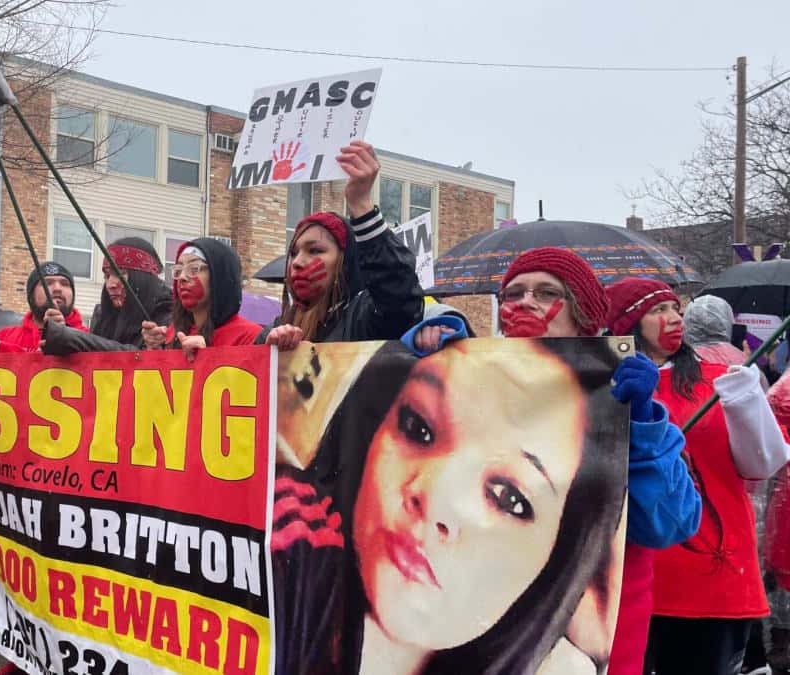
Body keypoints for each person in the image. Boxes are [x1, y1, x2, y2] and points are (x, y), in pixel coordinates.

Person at [405, 247, 701, 675]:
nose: (525, 303)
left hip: (595, 648)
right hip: (486, 640)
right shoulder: (475, 388)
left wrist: (639, 428)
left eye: (546, 293)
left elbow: (669, 525)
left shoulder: (623, 400)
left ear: (584, 316)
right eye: (514, 294)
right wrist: (415, 358)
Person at [273, 337, 628, 674]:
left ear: (560, 556)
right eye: (418, 427)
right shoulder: (288, 537)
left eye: (509, 498)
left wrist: (655, 437)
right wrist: (263, 359)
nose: (437, 497)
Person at [603, 277, 790, 675]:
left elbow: (763, 464)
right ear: (628, 324)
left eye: (677, 309)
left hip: (711, 578)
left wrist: (745, 400)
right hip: (629, 577)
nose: (674, 319)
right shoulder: (604, 384)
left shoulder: (722, 378)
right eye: (658, 311)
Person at [261, 141, 424, 350]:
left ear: (345, 260)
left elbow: (400, 298)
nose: (298, 262)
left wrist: (360, 203)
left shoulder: (364, 318)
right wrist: (265, 356)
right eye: (293, 253)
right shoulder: (275, 329)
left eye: (315, 250)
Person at [43, 237, 172, 355]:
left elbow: (136, 358)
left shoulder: (171, 317)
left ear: (143, 278)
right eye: (107, 276)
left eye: (120, 274)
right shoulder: (103, 317)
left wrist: (70, 338)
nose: (110, 284)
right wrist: (62, 335)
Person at [140, 238, 262, 357]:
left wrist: (206, 359)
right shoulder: (173, 333)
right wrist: (154, 352)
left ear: (220, 277)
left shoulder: (250, 337)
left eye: (194, 269)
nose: (182, 277)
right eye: (178, 270)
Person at [0, 261, 87, 353]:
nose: (57, 288)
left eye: (65, 284)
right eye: (47, 283)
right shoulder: (4, 337)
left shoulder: (89, 339)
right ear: (31, 296)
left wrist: (68, 337)